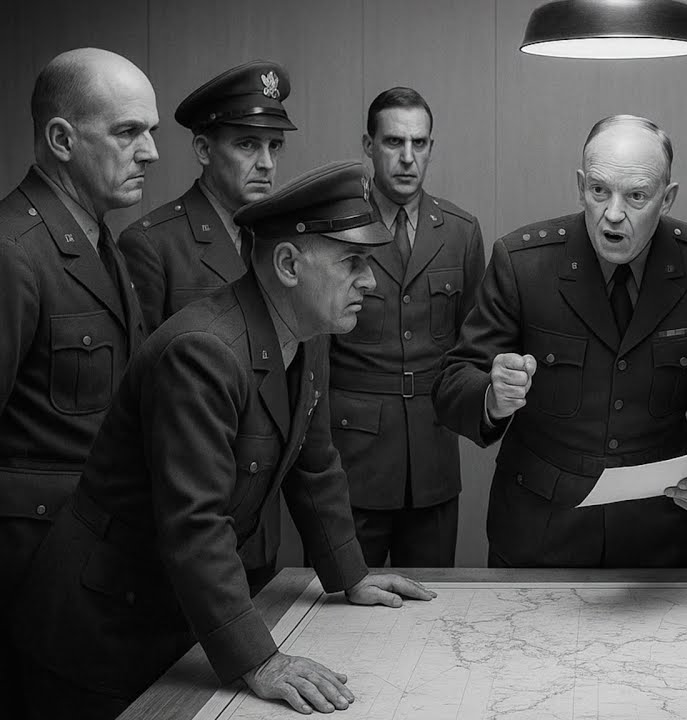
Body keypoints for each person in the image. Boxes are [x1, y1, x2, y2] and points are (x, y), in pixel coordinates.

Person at [11, 161, 434, 720]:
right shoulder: (204, 352)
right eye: (352, 262)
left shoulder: (307, 332)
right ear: (288, 265)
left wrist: (350, 576)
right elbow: (195, 523)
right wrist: (261, 660)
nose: (370, 281)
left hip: (172, 610)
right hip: (101, 626)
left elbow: (314, 464)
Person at [433, 115, 687, 568]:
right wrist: (492, 395)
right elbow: (452, 383)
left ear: (667, 198)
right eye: (599, 190)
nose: (613, 213)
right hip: (538, 531)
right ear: (580, 187)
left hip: (655, 533)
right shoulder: (523, 262)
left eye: (636, 196)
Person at [0, 47, 155, 719]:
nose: (151, 152)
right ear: (62, 139)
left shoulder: (98, 238)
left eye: (151, 131)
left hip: (93, 569)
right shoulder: (13, 251)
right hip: (30, 573)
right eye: (128, 132)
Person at [119, 59, 297, 593]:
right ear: (202, 149)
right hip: (186, 525)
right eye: (247, 145)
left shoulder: (282, 248)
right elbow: (140, 405)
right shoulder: (153, 245)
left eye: (274, 146)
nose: (266, 163)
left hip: (258, 526)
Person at [328, 87, 485, 569]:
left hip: (432, 456)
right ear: (369, 145)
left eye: (419, 143)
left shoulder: (460, 232)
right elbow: (314, 347)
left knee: (433, 600)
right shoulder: (336, 226)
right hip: (354, 455)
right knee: (345, 597)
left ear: (431, 147)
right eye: (394, 142)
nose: (407, 157)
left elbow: (473, 348)